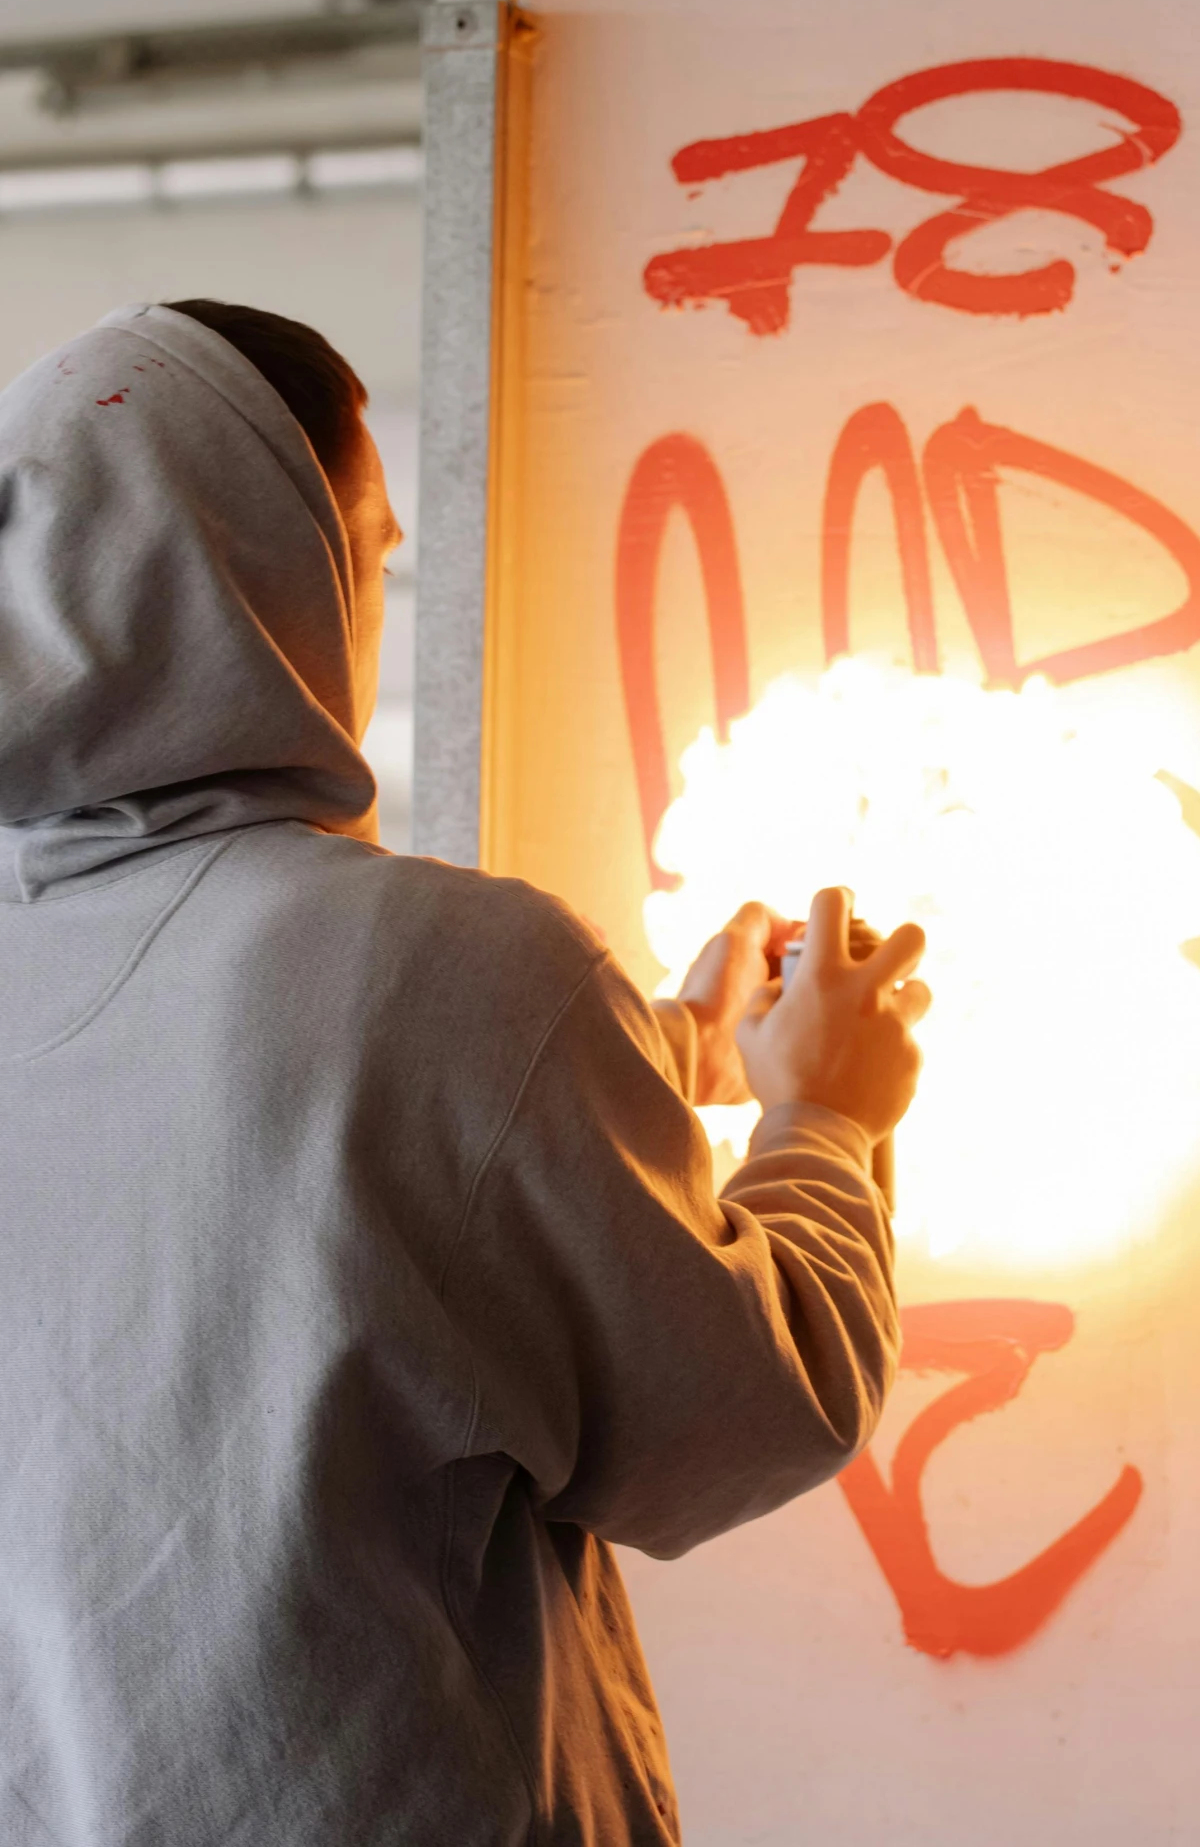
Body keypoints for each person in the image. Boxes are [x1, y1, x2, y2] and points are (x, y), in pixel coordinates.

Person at [0, 299, 929, 1847]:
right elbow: (748, 1408)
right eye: (370, 542)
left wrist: (650, 1049)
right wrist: (826, 1114)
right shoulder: (457, 970)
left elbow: (295, 1154)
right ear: (264, 568)